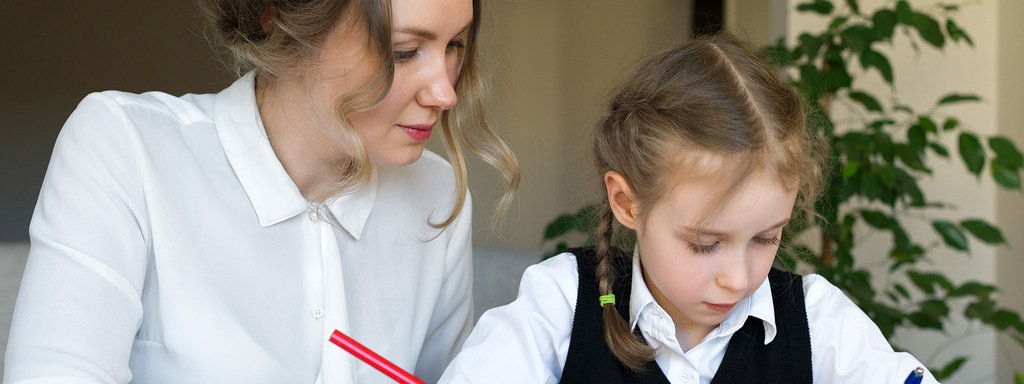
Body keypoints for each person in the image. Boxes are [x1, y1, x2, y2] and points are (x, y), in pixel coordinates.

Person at [4, 0, 519, 382]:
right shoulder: (126, 145)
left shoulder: (435, 191)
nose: (445, 92)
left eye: (454, 45)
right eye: (404, 51)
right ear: (284, 22)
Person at [438, 33, 938, 383]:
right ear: (627, 202)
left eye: (767, 238)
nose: (739, 279)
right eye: (705, 243)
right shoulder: (560, 306)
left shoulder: (820, 322)